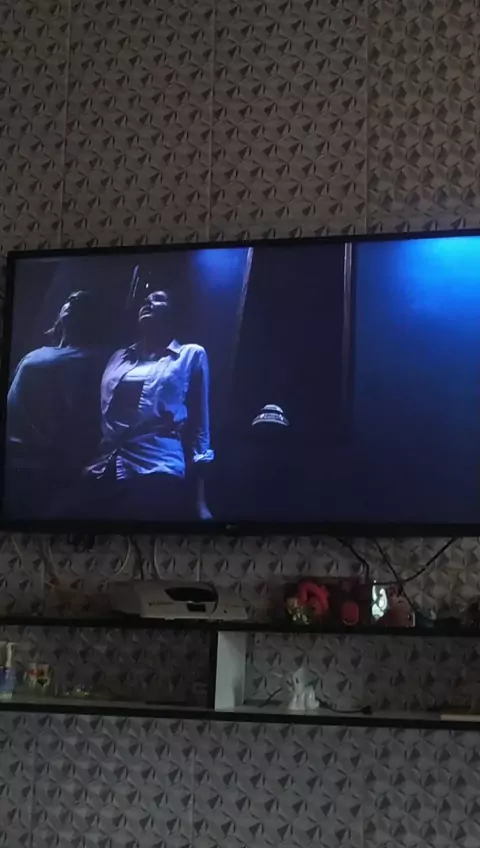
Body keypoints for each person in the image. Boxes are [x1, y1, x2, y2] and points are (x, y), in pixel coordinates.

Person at [85, 290, 214, 521]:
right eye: (145, 299)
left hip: (157, 466)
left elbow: (200, 428)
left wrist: (200, 501)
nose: (147, 301)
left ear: (173, 312)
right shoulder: (119, 356)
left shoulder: (190, 354)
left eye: (158, 298)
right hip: (104, 467)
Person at [5, 290, 109, 518]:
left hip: (47, 467)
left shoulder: (96, 357)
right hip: (13, 459)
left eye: (81, 302)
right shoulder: (37, 353)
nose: (73, 302)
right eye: (70, 298)